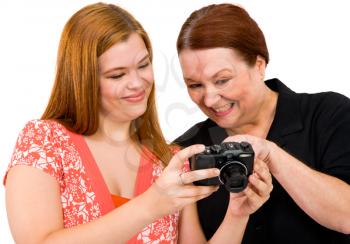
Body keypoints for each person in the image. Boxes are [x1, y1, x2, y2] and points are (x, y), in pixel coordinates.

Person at [4, 3, 272, 244]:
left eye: (143, 65)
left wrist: (237, 215)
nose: (137, 83)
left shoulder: (168, 160)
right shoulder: (44, 141)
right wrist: (152, 204)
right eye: (117, 74)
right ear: (83, 79)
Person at [174, 3, 350, 244]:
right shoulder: (187, 151)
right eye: (195, 85)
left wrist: (271, 154)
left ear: (259, 65)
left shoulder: (328, 114)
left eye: (222, 80)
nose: (209, 99)